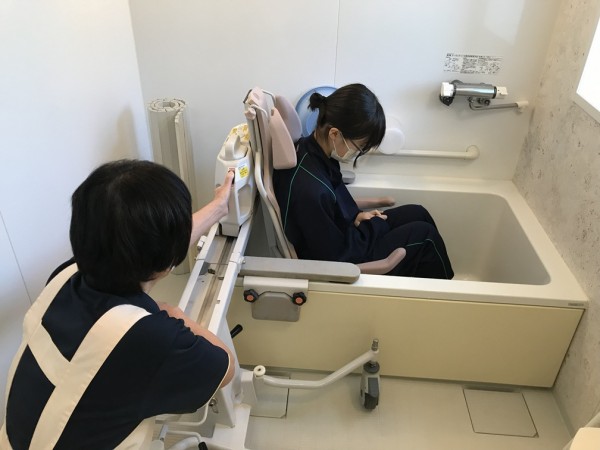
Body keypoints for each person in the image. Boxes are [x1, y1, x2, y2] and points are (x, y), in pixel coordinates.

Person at [1, 160, 236, 449]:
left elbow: (149, 253)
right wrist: (173, 313)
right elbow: (225, 368)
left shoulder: (68, 275)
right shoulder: (149, 337)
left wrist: (218, 208)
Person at [273, 83, 454, 279]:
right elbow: (334, 256)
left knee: (418, 213)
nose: (358, 153)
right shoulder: (310, 190)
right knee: (425, 237)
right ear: (334, 134)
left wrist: (357, 216)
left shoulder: (313, 151)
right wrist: (373, 224)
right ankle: (444, 293)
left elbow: (335, 206)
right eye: (359, 147)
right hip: (342, 257)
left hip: (345, 234)